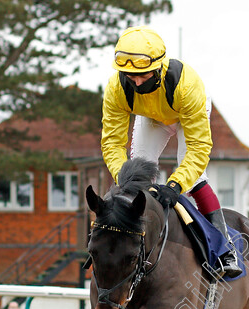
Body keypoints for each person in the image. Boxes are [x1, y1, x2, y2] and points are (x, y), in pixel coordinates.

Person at [101, 26, 241, 277]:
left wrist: (175, 186)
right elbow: (112, 142)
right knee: (136, 171)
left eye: (143, 74)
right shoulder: (116, 88)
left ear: (159, 66)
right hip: (151, 117)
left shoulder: (188, 85)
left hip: (185, 115)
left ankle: (225, 249)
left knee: (195, 177)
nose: (137, 81)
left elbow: (199, 148)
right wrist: (125, 177)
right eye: (130, 75)